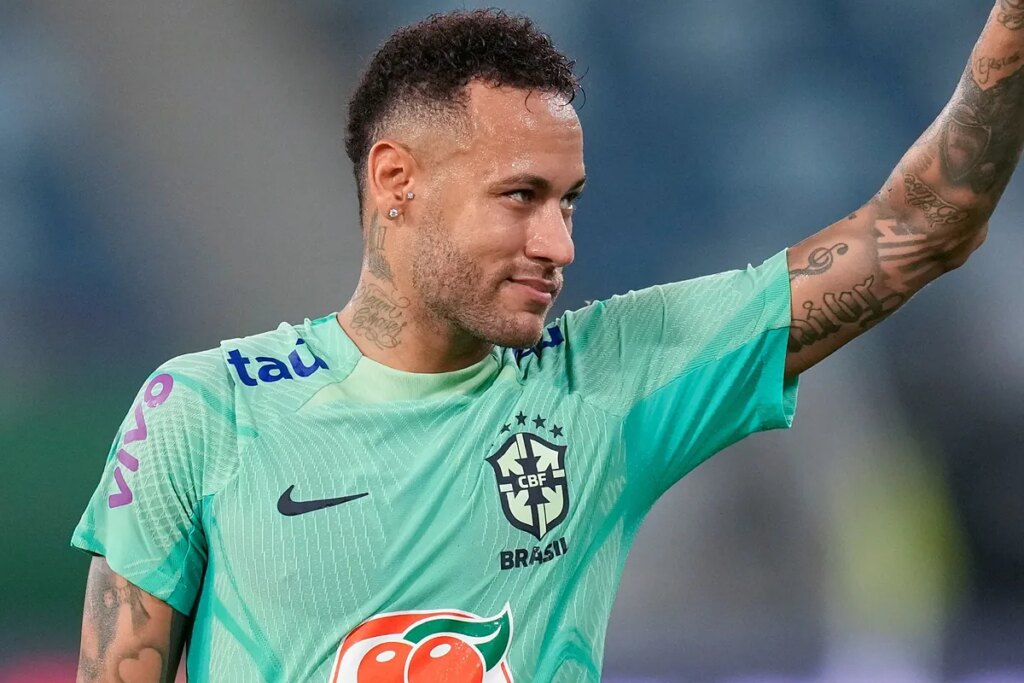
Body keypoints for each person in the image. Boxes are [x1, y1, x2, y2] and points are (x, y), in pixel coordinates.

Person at [72, 6, 1022, 682]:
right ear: (397, 182)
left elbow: (921, 226)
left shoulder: (605, 379)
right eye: (520, 197)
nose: (559, 245)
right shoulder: (203, 411)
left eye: (568, 204)